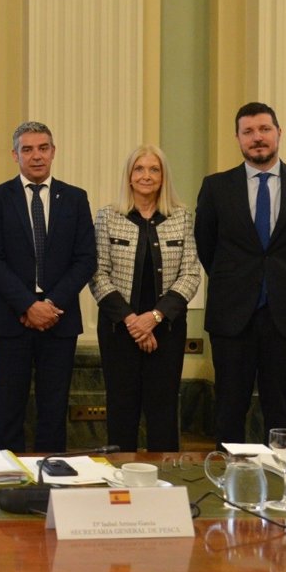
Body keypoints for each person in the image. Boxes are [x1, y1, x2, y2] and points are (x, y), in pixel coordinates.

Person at [195, 102, 286, 445]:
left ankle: (280, 474)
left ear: (279, 133)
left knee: (280, 408)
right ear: (238, 139)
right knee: (229, 408)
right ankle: (228, 475)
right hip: (232, 314)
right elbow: (206, 246)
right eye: (248, 131)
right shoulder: (216, 187)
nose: (257, 137)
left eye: (264, 129)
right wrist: (239, 280)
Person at [0, 121, 95, 453]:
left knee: (53, 409)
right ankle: (8, 475)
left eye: (43, 148)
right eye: (27, 149)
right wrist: (28, 305)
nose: (36, 156)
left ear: (53, 152)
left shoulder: (75, 198)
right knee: (8, 410)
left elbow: (85, 259)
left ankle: (50, 473)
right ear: (15, 155)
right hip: (10, 318)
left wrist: (50, 305)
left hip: (59, 319)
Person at [90, 145, 200, 452]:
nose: (146, 176)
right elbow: (97, 274)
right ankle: (119, 477)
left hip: (166, 330)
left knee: (163, 411)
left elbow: (191, 274)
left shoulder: (181, 217)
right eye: (139, 169)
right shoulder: (108, 217)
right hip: (119, 330)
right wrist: (133, 322)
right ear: (129, 176)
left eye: (154, 169)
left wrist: (153, 318)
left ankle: (166, 478)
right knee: (121, 410)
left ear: (163, 177)